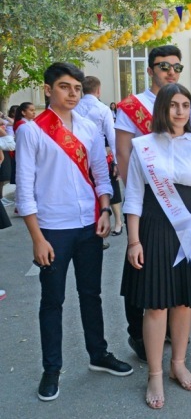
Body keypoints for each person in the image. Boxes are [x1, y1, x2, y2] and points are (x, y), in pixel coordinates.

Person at [16, 62, 133, 402]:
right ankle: (51, 369)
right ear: (47, 90)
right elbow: (24, 189)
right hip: (53, 229)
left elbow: (100, 172)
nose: (72, 93)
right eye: (65, 87)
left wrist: (105, 210)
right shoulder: (31, 131)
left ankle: (98, 354)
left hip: (88, 225)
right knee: (52, 301)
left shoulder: (87, 126)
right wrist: (37, 238)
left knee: (91, 294)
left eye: (77, 88)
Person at [122, 83, 191, 409]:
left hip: (189, 232)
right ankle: (155, 374)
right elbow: (133, 197)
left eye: (185, 105)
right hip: (153, 231)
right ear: (162, 108)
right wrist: (133, 241)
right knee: (156, 305)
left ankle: (178, 362)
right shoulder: (143, 146)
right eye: (174, 104)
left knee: (182, 304)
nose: (180, 111)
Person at [115, 44, 184, 363]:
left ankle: (167, 327)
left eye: (176, 67)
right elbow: (124, 155)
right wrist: (137, 196)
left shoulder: (180, 103)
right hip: (146, 199)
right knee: (140, 265)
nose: (171, 72)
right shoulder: (131, 106)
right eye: (164, 66)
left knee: (173, 263)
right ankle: (137, 331)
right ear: (149, 70)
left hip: (179, 201)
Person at [76, 76, 120, 243]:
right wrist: (116, 161)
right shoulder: (103, 109)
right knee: (102, 190)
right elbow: (112, 136)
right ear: (99, 90)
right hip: (99, 157)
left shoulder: (75, 108)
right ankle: (103, 224)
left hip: (78, 156)